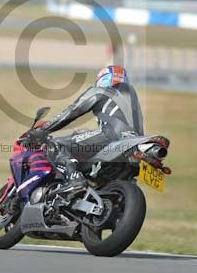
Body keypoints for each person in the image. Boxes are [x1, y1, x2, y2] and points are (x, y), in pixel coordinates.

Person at [28, 65, 144, 193]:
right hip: (138, 144)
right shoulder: (132, 98)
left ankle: (75, 179)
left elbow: (72, 111)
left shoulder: (100, 91)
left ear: (103, 80)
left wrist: (44, 129)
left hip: (112, 137)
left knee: (56, 144)